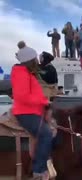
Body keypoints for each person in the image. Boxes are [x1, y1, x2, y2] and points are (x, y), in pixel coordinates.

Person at [11, 46, 52, 179]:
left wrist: (43, 102)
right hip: (25, 113)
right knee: (46, 134)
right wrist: (44, 102)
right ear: (30, 60)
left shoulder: (25, 72)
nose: (37, 61)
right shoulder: (21, 73)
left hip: (32, 110)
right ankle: (38, 170)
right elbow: (22, 96)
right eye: (35, 58)